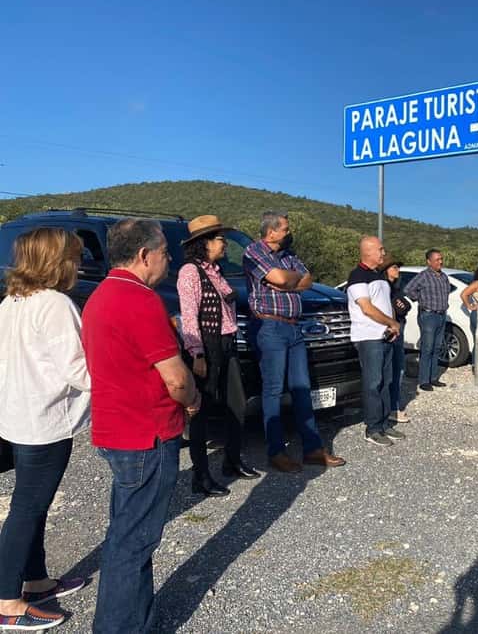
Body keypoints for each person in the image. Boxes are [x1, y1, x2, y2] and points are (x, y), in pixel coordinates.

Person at [82, 218, 201, 633]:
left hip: (118, 431)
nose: (170, 260)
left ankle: (139, 619)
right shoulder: (141, 300)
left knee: (129, 533)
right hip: (146, 434)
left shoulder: (100, 296)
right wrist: (194, 399)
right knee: (133, 543)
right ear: (144, 255)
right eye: (166, 252)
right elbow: (177, 379)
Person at [0, 228, 90, 631]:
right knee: (28, 508)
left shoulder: (12, 301)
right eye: (74, 256)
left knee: (33, 505)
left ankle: (35, 581)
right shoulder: (55, 304)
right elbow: (77, 369)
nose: (80, 263)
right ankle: (7, 600)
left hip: (18, 416)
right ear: (57, 261)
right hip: (46, 420)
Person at [242, 211, 345, 472]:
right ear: (272, 231)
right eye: (285, 229)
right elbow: (278, 278)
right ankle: (276, 451)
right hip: (270, 326)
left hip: (294, 328)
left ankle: (312, 448)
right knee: (274, 390)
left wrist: (289, 282)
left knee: (302, 389)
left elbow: (307, 279)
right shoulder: (253, 252)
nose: (289, 233)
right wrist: (288, 280)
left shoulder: (288, 256)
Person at [177, 215, 259, 497]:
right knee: (202, 411)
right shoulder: (190, 272)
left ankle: (232, 460)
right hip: (207, 346)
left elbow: (228, 297)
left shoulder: (215, 270)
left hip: (227, 342)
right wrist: (197, 353)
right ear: (205, 242)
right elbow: (189, 316)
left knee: (236, 403)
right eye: (220, 238)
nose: (225, 243)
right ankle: (201, 476)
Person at [346, 238, 405, 446]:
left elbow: (384, 303)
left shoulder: (378, 275)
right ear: (368, 252)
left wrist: (392, 326)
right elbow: (367, 308)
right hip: (369, 337)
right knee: (373, 383)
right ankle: (372, 428)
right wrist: (391, 322)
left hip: (385, 335)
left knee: (387, 381)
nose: (383, 253)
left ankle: (384, 423)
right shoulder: (357, 276)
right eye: (380, 249)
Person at [404, 248, 451, 391]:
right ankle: (424, 380)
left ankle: (433, 378)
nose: (440, 262)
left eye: (441, 259)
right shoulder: (423, 276)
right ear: (429, 261)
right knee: (427, 348)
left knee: (437, 348)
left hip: (441, 315)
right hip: (428, 316)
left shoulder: (443, 276)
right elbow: (408, 289)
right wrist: (420, 299)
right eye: (437, 259)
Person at [381, 253, 412, 423]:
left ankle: (394, 405)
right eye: (394, 267)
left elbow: (404, 307)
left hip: (399, 329)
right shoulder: (383, 287)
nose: (397, 270)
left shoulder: (396, 288)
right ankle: (391, 407)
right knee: (392, 371)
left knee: (398, 369)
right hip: (389, 332)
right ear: (386, 270)